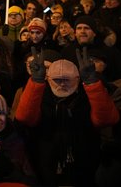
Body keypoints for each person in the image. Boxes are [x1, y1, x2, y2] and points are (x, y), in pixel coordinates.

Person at [15, 47, 119, 185]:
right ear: (49, 79)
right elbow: (25, 118)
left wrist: (92, 83)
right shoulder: (40, 95)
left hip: (84, 164)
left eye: (67, 80)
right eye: (58, 80)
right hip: (46, 165)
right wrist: (36, 82)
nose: (62, 84)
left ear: (77, 79)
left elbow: (107, 120)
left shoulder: (86, 96)